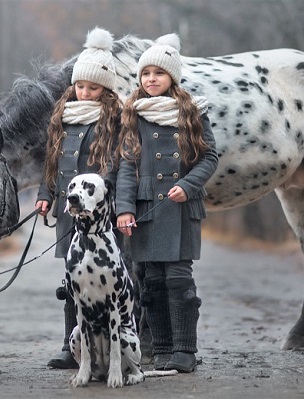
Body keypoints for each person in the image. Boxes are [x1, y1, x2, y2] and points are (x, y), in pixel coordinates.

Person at [115, 33, 219, 373]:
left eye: (159, 73)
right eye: (146, 74)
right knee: (152, 282)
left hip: (180, 208)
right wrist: (125, 209)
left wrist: (188, 186)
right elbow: (127, 168)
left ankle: (185, 350)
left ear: (172, 77)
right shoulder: (133, 115)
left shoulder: (192, 112)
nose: (151, 79)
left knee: (178, 278)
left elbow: (209, 157)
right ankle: (160, 349)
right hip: (146, 210)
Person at [35, 27, 122, 369]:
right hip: (69, 214)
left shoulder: (113, 121)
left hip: (100, 217)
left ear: (106, 90)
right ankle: (72, 345)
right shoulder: (62, 118)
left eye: (93, 87)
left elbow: (116, 165)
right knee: (72, 276)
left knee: (107, 276)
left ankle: (117, 342)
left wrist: (108, 203)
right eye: (80, 86)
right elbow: (52, 164)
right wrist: (46, 195)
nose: (85, 93)